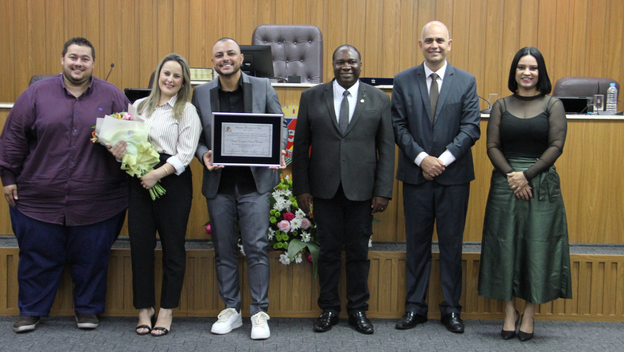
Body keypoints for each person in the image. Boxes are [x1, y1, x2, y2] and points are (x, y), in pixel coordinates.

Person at [0, 37, 129, 333]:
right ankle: (31, 310)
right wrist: (8, 177)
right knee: (36, 257)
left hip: (98, 198)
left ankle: (87, 309)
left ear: (93, 63)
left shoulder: (113, 97)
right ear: (62, 60)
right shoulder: (35, 95)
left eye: (84, 58)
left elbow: (133, 141)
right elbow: (13, 138)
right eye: (73, 57)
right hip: (39, 197)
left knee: (92, 258)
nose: (78, 63)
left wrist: (125, 150)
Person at [292, 45, 395, 335]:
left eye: (351, 61)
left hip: (363, 192)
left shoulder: (378, 99)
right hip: (324, 190)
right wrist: (302, 188)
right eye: (340, 62)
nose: (346, 66)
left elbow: (386, 149)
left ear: (361, 64)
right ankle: (328, 309)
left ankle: (358, 310)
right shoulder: (311, 97)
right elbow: (301, 147)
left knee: (359, 253)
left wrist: (383, 190)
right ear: (332, 65)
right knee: (327, 252)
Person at [191, 38, 287, 340]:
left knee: (257, 248)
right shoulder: (201, 93)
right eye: (218, 55)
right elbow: (194, 135)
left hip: (254, 184)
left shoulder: (262, 87)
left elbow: (280, 124)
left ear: (241, 57)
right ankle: (231, 309)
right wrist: (203, 153)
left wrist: (278, 149)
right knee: (224, 250)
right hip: (219, 185)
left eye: (230, 53)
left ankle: (259, 312)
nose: (225, 59)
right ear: (213, 61)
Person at [391, 21, 481, 334]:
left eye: (440, 40)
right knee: (416, 245)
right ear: (420, 45)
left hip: (453, 178)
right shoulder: (403, 80)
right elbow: (398, 127)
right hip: (416, 177)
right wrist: (421, 159)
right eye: (429, 40)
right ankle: (415, 308)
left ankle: (451, 310)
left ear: (450, 43)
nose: (434, 45)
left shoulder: (466, 81)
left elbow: (471, 128)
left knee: (451, 246)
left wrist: (439, 161)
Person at [477, 46, 571, 342]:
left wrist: (526, 176)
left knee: (538, 246)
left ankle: (529, 312)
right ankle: (509, 311)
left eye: (532, 68)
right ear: (514, 72)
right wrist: (512, 177)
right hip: (505, 183)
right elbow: (492, 146)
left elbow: (556, 145)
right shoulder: (502, 105)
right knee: (502, 245)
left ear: (540, 72)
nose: (527, 73)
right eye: (521, 67)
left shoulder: (552, 104)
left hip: (540, 183)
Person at [107, 54, 202, 336]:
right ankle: (144, 308)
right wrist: (119, 152)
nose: (170, 79)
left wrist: (156, 174)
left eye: (176, 75)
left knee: (173, 249)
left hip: (171, 182)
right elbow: (128, 141)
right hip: (137, 180)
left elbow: (185, 154)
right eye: (166, 73)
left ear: (183, 81)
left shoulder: (187, 111)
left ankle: (166, 310)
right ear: (157, 74)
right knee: (141, 247)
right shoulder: (138, 106)